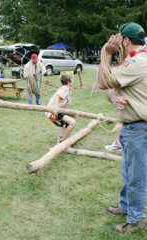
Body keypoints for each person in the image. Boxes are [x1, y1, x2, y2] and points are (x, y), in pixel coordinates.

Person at [98, 22, 147, 233]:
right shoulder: (139, 60)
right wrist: (114, 96)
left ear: (125, 41)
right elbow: (112, 88)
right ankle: (126, 206)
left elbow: (103, 82)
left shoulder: (136, 62)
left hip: (139, 128)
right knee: (129, 172)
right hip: (134, 128)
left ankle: (136, 220)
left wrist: (106, 53)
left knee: (136, 176)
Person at [45, 74, 76, 143]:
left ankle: (60, 139)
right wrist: (56, 108)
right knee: (72, 123)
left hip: (58, 111)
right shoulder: (65, 88)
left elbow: (64, 103)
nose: (73, 82)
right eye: (72, 81)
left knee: (66, 124)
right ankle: (62, 141)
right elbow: (57, 96)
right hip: (53, 111)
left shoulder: (66, 89)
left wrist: (69, 113)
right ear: (69, 82)